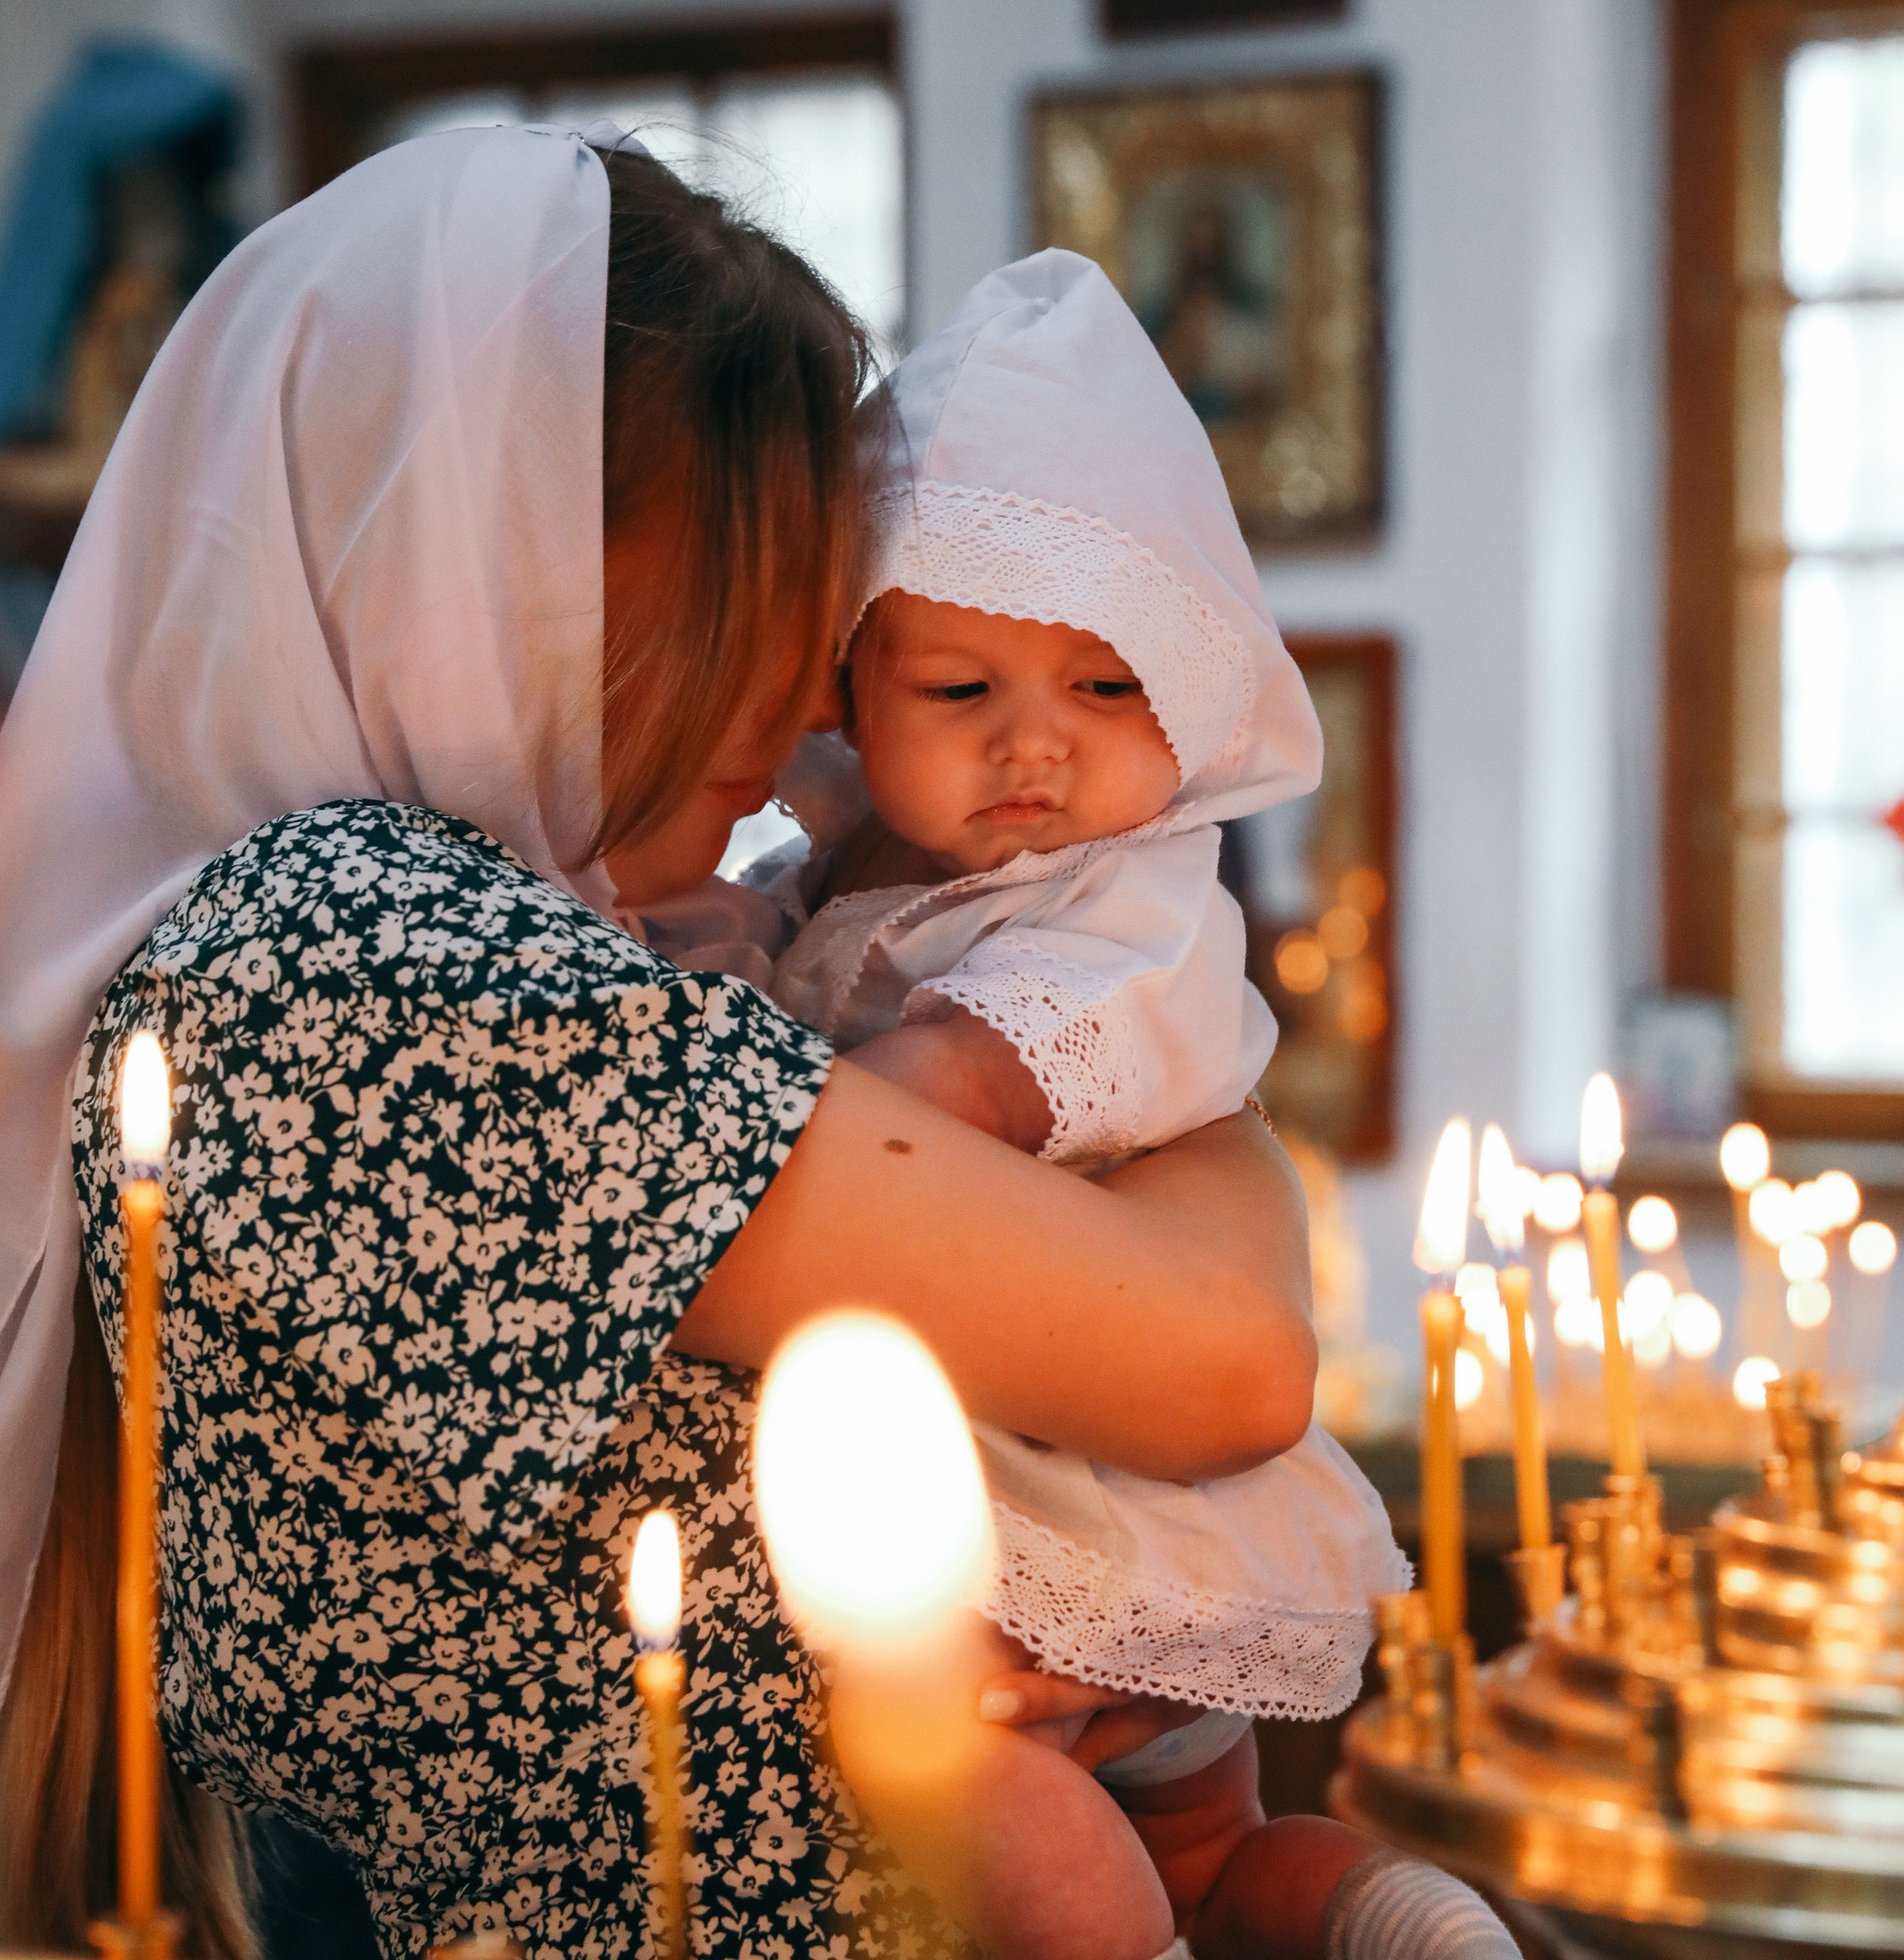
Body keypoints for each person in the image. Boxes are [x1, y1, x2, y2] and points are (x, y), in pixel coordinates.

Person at [0, 126, 1324, 1960]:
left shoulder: (541, 936)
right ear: (477, 538)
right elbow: (1231, 1355)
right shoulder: (356, 961)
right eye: (748, 582)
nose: (800, 695)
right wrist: (1169, 1107)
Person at [642, 254, 1513, 1960]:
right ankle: (1364, 1916)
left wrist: (713, 1083)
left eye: (1106, 690)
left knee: (1004, 1798)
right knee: (1206, 1844)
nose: (1036, 749)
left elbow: (923, 1100)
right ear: (847, 689)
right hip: (1100, 1496)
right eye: (963, 693)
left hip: (1070, 1512)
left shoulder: (1126, 905)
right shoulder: (825, 877)